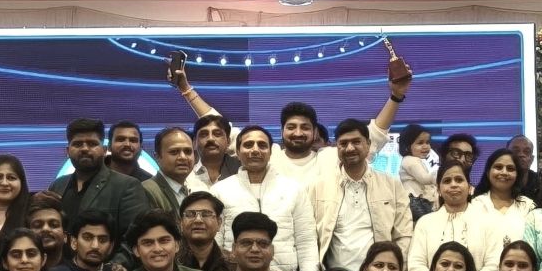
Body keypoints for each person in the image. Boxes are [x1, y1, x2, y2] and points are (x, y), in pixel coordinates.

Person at [172, 48, 411, 203]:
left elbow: (374, 135)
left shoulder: (329, 158)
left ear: (315, 133)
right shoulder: (269, 154)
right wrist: (185, 89)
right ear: (282, 131)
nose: (298, 133)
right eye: (291, 127)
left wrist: (396, 96)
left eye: (305, 128)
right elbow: (218, 126)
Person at [212, 125, 318, 271]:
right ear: (238, 152)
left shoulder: (293, 189)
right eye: (248, 145)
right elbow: (215, 243)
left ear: (270, 152)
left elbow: (306, 239)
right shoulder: (220, 190)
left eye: (262, 145)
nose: (255, 150)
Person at [315, 116, 415, 271]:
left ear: (368, 144)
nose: (350, 148)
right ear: (336, 147)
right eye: (343, 143)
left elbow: (404, 234)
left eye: (356, 142)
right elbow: (310, 238)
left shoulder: (392, 185)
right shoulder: (318, 188)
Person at [406, 163, 501, 271]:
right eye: (447, 181)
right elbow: (415, 265)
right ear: (438, 190)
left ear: (469, 187)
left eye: (459, 180)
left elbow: (494, 265)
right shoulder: (425, 223)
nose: (453, 184)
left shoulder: (488, 221)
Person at [47, 118, 149, 232]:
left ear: (104, 150)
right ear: (67, 151)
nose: (85, 149)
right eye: (77, 144)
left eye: (92, 144)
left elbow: (136, 236)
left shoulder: (128, 186)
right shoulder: (57, 185)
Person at [470, 144, 537, 247]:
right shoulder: (475, 205)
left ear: (517, 175)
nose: (504, 172)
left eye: (510, 168)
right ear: (488, 172)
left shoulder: (527, 206)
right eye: (498, 167)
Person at [176, 191, 233, 271]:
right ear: (181, 223)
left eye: (206, 214)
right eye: (190, 214)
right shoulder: (169, 260)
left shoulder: (232, 263)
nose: (198, 220)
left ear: (219, 223)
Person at [398, 123, 436, 219]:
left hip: (419, 200)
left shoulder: (414, 160)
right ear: (407, 146)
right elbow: (424, 179)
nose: (425, 146)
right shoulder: (410, 160)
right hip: (415, 201)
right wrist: (441, 176)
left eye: (427, 142)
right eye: (420, 143)